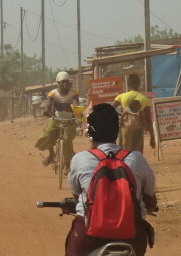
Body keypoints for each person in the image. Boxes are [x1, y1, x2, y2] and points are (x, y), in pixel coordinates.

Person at [66, 103, 157, 256]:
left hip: (88, 235)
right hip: (132, 236)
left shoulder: (80, 160)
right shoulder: (137, 159)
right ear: (117, 131)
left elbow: (76, 194)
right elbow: (150, 197)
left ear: (90, 133)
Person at [34, 71, 80, 168]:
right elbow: (48, 105)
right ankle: (51, 153)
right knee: (48, 134)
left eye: (67, 82)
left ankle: (67, 164)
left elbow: (76, 103)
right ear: (58, 83)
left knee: (67, 140)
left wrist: (77, 112)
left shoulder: (74, 92)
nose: (65, 84)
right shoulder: (53, 93)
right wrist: (47, 111)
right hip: (56, 119)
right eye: (63, 82)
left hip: (69, 121)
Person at [111, 73, 156, 154]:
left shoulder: (121, 96)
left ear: (128, 84)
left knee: (123, 152)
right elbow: (148, 119)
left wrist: (119, 117)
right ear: (139, 84)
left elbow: (109, 110)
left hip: (125, 129)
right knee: (137, 152)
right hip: (138, 129)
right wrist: (152, 137)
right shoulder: (145, 99)